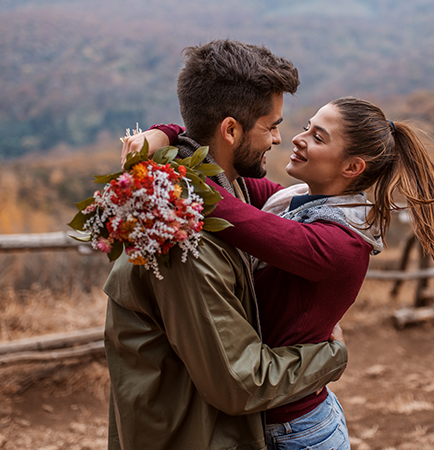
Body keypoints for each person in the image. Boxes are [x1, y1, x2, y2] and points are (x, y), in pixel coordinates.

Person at [124, 97, 434, 449]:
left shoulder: (338, 245)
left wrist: (161, 148)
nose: (297, 139)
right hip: (269, 415)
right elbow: (219, 165)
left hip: (298, 430)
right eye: (307, 126)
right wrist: (164, 134)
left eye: (318, 137)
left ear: (352, 168)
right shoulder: (294, 200)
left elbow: (217, 202)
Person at [103, 39, 350, 450]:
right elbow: (239, 382)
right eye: (271, 126)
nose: (278, 139)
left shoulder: (221, 185)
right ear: (231, 130)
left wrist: (164, 133)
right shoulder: (183, 239)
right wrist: (331, 355)